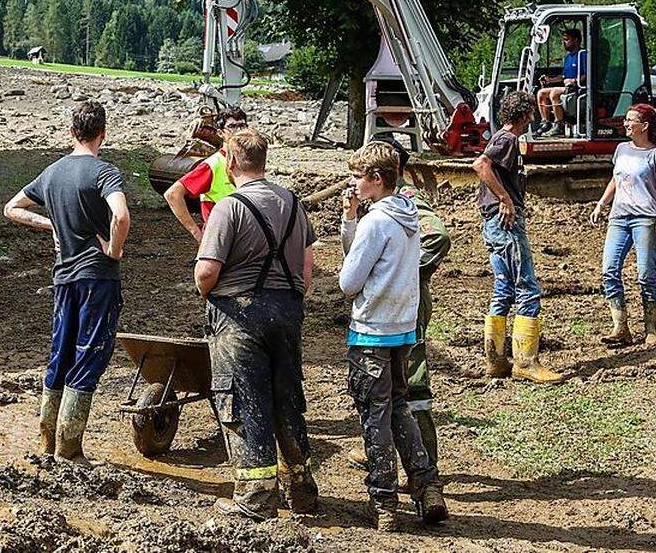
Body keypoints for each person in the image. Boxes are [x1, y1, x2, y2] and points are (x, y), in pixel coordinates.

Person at [194, 128, 318, 521]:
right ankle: (301, 490)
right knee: (286, 398)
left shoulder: (230, 207)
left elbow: (206, 272)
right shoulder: (294, 203)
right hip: (287, 312)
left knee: (245, 403)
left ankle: (256, 499)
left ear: (230, 163)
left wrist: (209, 287)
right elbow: (307, 270)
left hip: (240, 317)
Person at [3, 101, 131, 464]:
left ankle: (46, 441)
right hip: (97, 277)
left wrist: (51, 225)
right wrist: (114, 251)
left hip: (63, 279)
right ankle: (70, 448)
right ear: (103, 134)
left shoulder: (52, 172)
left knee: (60, 354)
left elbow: (11, 208)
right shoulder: (105, 172)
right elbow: (121, 216)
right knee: (89, 355)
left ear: (71, 132)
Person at [340, 141, 447, 531]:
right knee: (401, 407)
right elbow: (364, 256)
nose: (352, 182)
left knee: (375, 416)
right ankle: (426, 486)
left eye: (357, 176)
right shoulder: (409, 215)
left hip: (372, 331)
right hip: (403, 328)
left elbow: (349, 281)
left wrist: (357, 224)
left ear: (376, 178)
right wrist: (350, 216)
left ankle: (384, 503)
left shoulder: (376, 222)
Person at [473, 91, 562, 383]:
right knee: (527, 287)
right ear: (524, 115)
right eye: (532, 114)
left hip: (494, 221)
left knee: (504, 288)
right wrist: (505, 199)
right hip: (506, 221)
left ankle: (496, 361)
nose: (534, 118)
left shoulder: (501, 137)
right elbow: (481, 165)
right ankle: (525, 362)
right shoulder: (507, 139)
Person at [591, 103, 656, 347]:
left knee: (645, 274)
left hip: (645, 218)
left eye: (630, 120)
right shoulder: (621, 150)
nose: (625, 124)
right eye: (626, 120)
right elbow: (616, 180)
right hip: (619, 217)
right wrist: (601, 204)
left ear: (645, 126)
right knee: (609, 269)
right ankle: (620, 327)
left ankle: (651, 329)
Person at [164, 107, 250, 242]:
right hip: (218, 238)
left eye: (242, 125)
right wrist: (196, 233)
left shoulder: (249, 161)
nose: (239, 131)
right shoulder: (212, 165)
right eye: (232, 126)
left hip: (243, 236)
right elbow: (173, 194)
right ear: (221, 133)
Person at [535, 28, 587, 138]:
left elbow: (588, 74)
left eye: (567, 40)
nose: (564, 42)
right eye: (564, 40)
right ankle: (546, 122)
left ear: (576, 40)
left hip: (578, 88)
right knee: (541, 93)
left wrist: (575, 81)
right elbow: (564, 76)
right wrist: (550, 80)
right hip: (566, 87)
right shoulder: (568, 57)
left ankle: (559, 124)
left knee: (554, 93)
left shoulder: (583, 55)